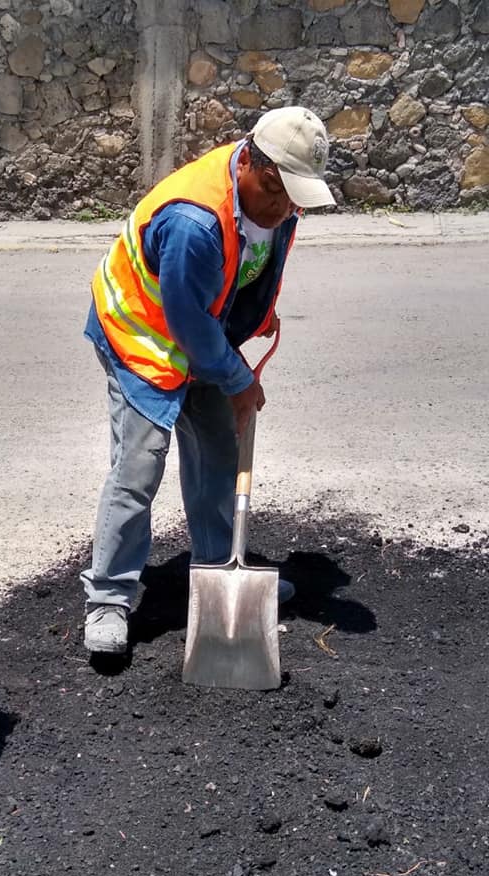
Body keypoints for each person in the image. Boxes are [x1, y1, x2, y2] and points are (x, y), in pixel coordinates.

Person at [81, 105, 335, 655]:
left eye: (296, 198)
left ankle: (220, 569)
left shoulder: (279, 206)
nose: (287, 208)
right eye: (279, 194)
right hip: (142, 338)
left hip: (207, 336)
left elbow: (239, 286)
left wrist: (237, 351)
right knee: (137, 469)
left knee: (220, 452)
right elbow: (187, 322)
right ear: (254, 167)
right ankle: (108, 598)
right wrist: (238, 379)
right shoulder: (194, 221)